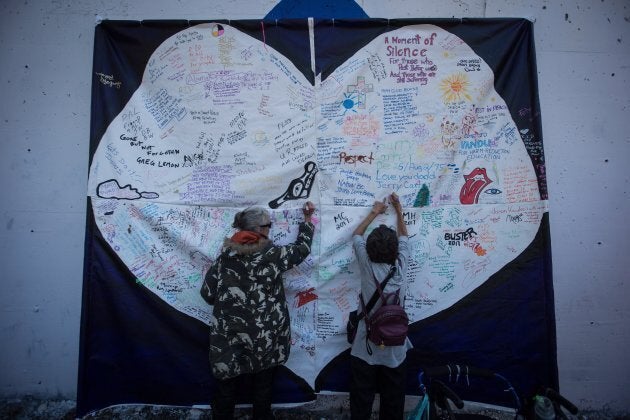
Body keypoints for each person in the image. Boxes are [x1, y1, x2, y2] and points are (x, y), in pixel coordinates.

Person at [200, 202, 316, 420]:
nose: (270, 228)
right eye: (268, 225)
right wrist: (307, 221)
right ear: (258, 229)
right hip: (265, 337)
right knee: (262, 390)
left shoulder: (225, 257)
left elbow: (207, 293)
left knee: (225, 392)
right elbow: (301, 250)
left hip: (229, 336)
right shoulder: (271, 254)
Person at [349, 192, 412, 420]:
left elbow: (357, 235)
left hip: (365, 347)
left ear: (369, 250)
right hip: (396, 349)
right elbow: (404, 236)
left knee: (361, 399)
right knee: (393, 402)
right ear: (395, 251)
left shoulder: (366, 266)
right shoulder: (401, 267)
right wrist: (399, 209)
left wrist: (374, 212)